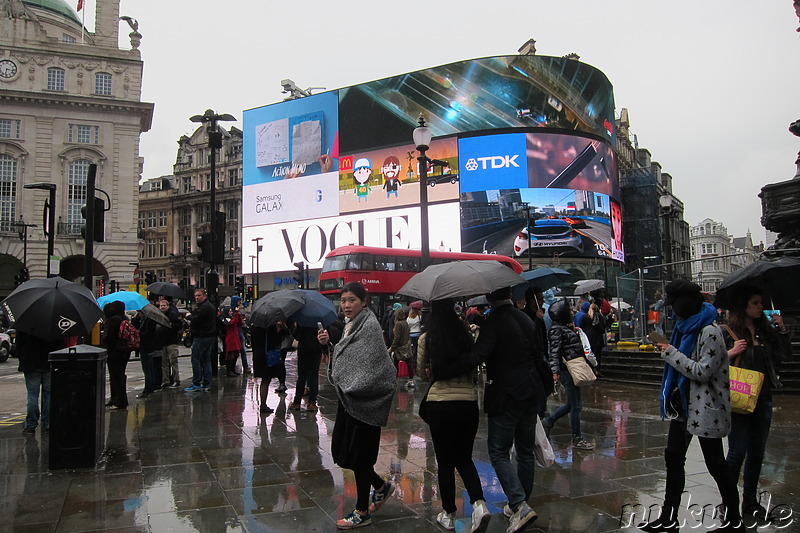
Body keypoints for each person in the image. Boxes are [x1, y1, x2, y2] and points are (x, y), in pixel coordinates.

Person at [444, 286, 553, 533]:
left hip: (506, 395)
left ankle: (519, 505)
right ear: (511, 295)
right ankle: (520, 503)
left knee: (498, 451)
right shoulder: (526, 319)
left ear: (490, 297)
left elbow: (479, 354)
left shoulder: (493, 321)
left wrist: (452, 364)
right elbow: (539, 355)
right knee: (525, 452)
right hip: (530, 393)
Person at [639, 280, 742, 533]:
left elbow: (702, 371)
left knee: (716, 465)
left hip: (706, 409)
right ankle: (668, 518)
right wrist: (670, 350)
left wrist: (670, 352)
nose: (672, 311)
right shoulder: (684, 328)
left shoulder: (710, 331)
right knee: (673, 459)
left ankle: (735, 522)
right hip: (684, 407)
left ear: (686, 302)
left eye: (674, 305)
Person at [317, 282, 396, 529]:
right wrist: (326, 345)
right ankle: (381, 486)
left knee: (360, 458)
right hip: (350, 400)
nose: (347, 305)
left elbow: (370, 366)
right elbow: (346, 360)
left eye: (352, 300)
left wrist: (349, 379)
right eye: (343, 301)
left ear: (364, 301)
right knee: (344, 453)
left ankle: (362, 511)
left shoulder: (369, 326)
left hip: (366, 402)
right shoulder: (353, 325)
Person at [416, 299, 491, 533]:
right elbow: (473, 366)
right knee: (464, 458)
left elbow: (421, 373)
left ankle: (448, 513)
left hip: (440, 404)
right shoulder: (465, 335)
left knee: (445, 462)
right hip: (467, 403)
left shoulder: (426, 339)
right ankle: (479, 505)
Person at [722, 286, 791, 520]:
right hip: (739, 399)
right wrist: (731, 352)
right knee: (737, 452)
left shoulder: (766, 331)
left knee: (757, 453)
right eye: (755, 303)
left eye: (761, 302)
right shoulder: (727, 331)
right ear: (743, 306)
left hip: (763, 398)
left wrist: (781, 330)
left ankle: (750, 501)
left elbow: (784, 356)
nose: (760, 307)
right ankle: (728, 501)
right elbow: (711, 363)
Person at [542, 298, 595, 451]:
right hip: (567, 370)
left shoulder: (563, 328)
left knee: (574, 404)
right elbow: (554, 351)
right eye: (569, 310)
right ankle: (576, 436)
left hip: (571, 368)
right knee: (576, 405)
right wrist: (555, 371)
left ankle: (549, 421)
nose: (572, 313)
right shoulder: (556, 330)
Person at [290, 321, 342, 412]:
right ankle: (312, 403)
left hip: (304, 350)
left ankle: (297, 402)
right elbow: (328, 334)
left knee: (301, 377)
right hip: (316, 350)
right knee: (314, 376)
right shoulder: (321, 320)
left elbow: (296, 336)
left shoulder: (303, 320)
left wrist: (297, 326)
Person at [17, 331, 63, 434]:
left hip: (31, 363)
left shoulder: (26, 324)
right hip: (48, 363)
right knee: (48, 395)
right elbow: (60, 345)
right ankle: (47, 422)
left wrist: (23, 359)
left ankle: (31, 424)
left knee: (32, 396)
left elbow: (19, 344)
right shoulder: (52, 324)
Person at [251, 321, 291, 414]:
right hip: (267, 356)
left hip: (258, 355)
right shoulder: (270, 327)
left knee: (263, 382)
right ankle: (263, 405)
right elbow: (275, 340)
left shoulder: (254, 327)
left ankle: (263, 404)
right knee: (266, 380)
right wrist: (279, 331)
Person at [102, 300, 132, 409]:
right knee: (119, 374)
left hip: (114, 351)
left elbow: (109, 338)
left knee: (115, 376)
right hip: (124, 350)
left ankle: (119, 400)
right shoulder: (125, 318)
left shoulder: (112, 320)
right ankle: (117, 398)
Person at [185, 289, 217, 392]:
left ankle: (196, 383)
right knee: (206, 359)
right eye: (195, 296)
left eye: (199, 295)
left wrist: (189, 317)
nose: (196, 297)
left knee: (196, 359)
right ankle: (207, 383)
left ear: (204, 296)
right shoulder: (207, 306)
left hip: (202, 336)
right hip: (208, 335)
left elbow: (197, 319)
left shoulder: (204, 307)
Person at [158, 297, 182, 388]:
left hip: (171, 341)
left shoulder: (172, 314)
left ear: (168, 306)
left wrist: (171, 325)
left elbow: (178, 326)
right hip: (162, 342)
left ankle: (176, 380)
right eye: (161, 306)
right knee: (164, 363)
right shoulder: (159, 315)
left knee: (173, 362)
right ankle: (165, 381)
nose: (162, 307)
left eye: (164, 305)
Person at [390, 307, 413, 387]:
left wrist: (392, 347)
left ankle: (394, 380)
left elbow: (397, 337)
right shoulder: (405, 323)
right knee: (408, 363)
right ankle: (411, 379)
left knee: (395, 364)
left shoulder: (398, 324)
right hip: (406, 345)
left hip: (399, 348)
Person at [223, 306, 244, 376]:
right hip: (230, 338)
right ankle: (229, 370)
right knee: (229, 354)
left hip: (235, 337)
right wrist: (236, 314)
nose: (231, 312)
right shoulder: (225, 319)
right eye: (230, 311)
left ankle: (232, 369)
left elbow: (239, 322)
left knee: (236, 354)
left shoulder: (232, 318)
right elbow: (232, 323)